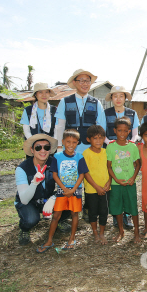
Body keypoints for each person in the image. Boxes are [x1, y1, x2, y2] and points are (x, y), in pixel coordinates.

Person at [55, 69, 106, 222]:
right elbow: (60, 125)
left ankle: (88, 209)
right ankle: (65, 214)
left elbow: (101, 125)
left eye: (88, 81)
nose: (85, 83)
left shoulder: (96, 102)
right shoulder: (65, 101)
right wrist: (59, 146)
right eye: (81, 80)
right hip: (71, 147)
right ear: (75, 83)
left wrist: (101, 147)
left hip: (90, 148)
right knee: (69, 178)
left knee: (90, 178)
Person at [37, 129, 88, 252]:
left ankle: (72, 238)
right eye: (68, 142)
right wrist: (64, 188)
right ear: (63, 142)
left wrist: (73, 189)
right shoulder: (57, 156)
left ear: (77, 143)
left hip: (75, 191)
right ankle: (49, 240)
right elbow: (54, 174)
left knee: (74, 214)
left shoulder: (80, 157)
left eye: (74, 142)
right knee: (56, 215)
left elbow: (82, 175)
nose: (71, 145)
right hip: (62, 191)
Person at [15, 134, 69, 245]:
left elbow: (67, 185)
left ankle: (60, 219)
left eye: (47, 147)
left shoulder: (55, 163)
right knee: (31, 219)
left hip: (47, 198)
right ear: (32, 150)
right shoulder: (22, 168)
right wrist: (34, 183)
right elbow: (24, 199)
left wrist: (54, 198)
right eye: (38, 147)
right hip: (29, 201)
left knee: (70, 199)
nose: (43, 150)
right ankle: (24, 229)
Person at [104, 85, 139, 229]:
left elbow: (136, 133)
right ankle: (116, 215)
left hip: (128, 149)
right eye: (115, 96)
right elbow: (102, 130)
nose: (118, 99)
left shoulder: (132, 113)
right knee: (114, 187)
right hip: (111, 148)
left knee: (127, 181)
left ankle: (127, 215)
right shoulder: (105, 112)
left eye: (121, 96)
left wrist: (130, 143)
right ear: (111, 98)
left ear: (125, 98)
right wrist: (112, 143)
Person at [106, 118, 141, 243]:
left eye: (125, 131)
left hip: (130, 183)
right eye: (119, 130)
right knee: (118, 208)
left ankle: (136, 232)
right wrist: (116, 180)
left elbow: (138, 164)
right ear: (115, 130)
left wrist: (133, 178)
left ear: (129, 131)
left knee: (133, 208)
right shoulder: (110, 147)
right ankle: (121, 231)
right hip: (116, 184)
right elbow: (109, 166)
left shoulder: (132, 146)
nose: (122, 133)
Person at [83, 125, 111, 245]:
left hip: (105, 189)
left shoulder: (106, 152)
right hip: (91, 189)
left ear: (104, 138)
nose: (98, 141)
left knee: (104, 211)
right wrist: (96, 187)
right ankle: (95, 233)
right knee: (93, 212)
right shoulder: (86, 153)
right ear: (89, 139)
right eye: (95, 138)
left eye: (101, 138)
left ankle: (102, 233)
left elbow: (110, 168)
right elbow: (86, 173)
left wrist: (109, 181)